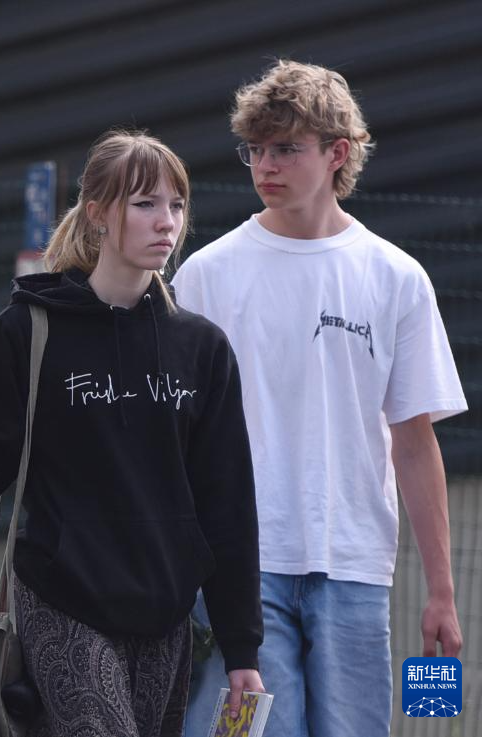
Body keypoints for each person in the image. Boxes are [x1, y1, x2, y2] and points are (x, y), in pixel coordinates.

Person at [0, 129, 264, 737]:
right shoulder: (29, 330)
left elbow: (228, 505)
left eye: (176, 205)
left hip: (165, 612)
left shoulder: (202, 348)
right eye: (145, 204)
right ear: (97, 213)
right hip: (62, 597)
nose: (166, 222)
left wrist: (242, 649)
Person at [172, 60, 467, 737]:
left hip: (355, 564)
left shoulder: (396, 277)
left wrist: (442, 591)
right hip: (236, 565)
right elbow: (173, 436)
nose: (265, 165)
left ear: (338, 153)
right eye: (255, 149)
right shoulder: (206, 275)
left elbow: (414, 442)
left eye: (286, 148)